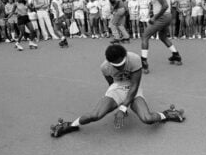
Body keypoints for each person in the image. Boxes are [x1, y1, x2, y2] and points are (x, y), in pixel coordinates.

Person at [50, 45, 185, 137]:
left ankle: (167, 114)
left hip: (133, 88)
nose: (120, 68)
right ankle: (70, 125)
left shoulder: (134, 59)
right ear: (109, 62)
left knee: (147, 119)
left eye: (122, 64)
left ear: (125, 56)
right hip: (117, 87)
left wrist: (123, 108)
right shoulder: (105, 67)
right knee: (95, 115)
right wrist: (116, 102)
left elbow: (134, 85)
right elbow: (111, 84)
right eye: (116, 66)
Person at [140, 0, 182, 74]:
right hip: (168, 16)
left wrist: (154, 18)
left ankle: (144, 63)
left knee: (145, 36)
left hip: (162, 17)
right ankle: (176, 55)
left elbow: (165, 5)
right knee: (163, 37)